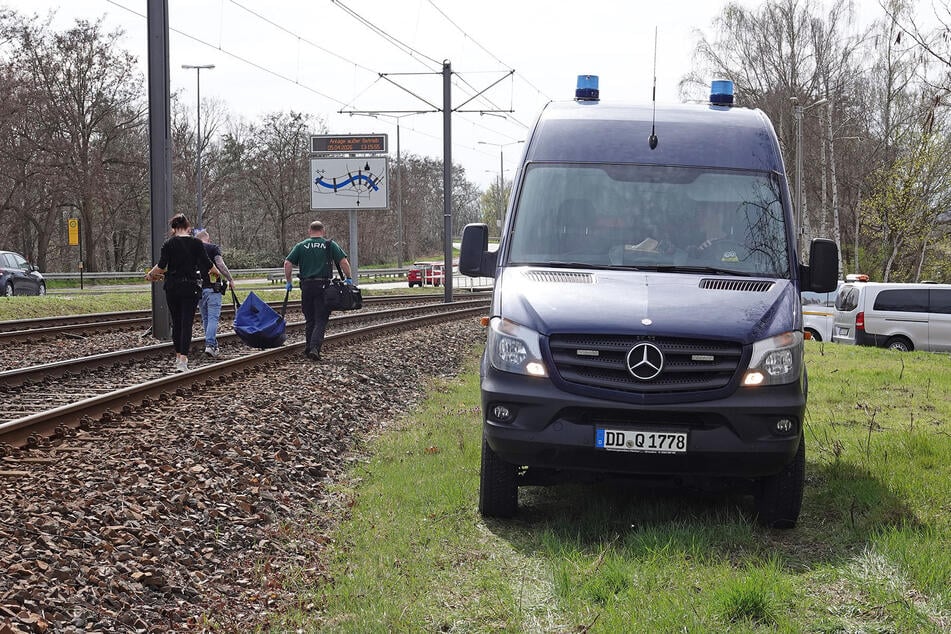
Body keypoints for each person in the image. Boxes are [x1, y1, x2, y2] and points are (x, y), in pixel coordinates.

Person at [145, 214, 220, 372]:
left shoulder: (168, 244)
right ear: (188, 228)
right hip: (190, 287)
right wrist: (217, 273)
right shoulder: (196, 243)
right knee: (186, 324)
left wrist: (151, 274)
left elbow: (161, 266)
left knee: (176, 322)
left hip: (172, 287)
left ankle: (178, 356)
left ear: (173, 229)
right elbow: (207, 264)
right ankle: (183, 361)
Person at [283, 220, 353, 361]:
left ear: (310, 231)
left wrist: (289, 281)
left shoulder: (301, 246)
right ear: (323, 231)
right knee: (321, 319)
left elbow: (287, 263)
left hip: (306, 286)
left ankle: (308, 347)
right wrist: (349, 278)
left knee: (309, 319)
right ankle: (315, 348)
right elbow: (343, 262)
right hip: (323, 287)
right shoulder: (329, 244)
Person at [195, 229, 235, 358]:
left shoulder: (192, 250)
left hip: (199, 290)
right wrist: (230, 279)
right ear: (207, 238)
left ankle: (213, 346)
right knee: (212, 318)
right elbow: (220, 264)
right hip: (213, 289)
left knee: (206, 318)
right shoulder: (213, 248)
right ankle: (210, 345)